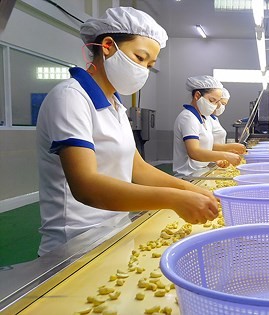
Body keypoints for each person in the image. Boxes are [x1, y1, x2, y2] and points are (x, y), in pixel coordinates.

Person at [35, 7, 219, 256]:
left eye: (151, 64)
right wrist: (174, 199)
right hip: (75, 243)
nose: (144, 70)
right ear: (108, 46)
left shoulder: (116, 106)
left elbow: (138, 169)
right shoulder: (70, 98)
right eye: (140, 58)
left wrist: (193, 190)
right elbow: (86, 186)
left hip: (115, 233)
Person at [173, 76, 244, 176]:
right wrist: (225, 155)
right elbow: (194, 152)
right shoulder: (188, 118)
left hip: (200, 171)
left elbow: (206, 146)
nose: (215, 106)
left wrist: (229, 149)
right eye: (212, 100)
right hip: (188, 175)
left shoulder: (204, 119)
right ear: (197, 95)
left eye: (217, 102)